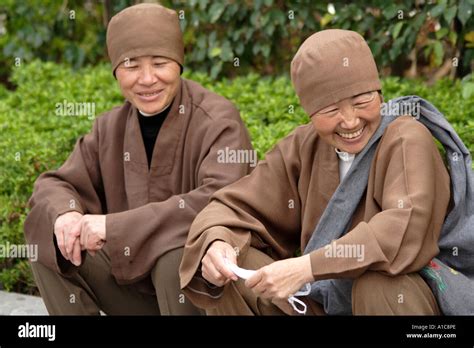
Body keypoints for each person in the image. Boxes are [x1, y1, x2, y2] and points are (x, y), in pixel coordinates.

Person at [179, 29, 452, 315]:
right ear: (308, 111)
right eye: (331, 109)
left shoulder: (407, 137)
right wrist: (219, 241)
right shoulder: (303, 145)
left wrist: (307, 268)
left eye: (362, 101)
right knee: (235, 269)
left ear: (379, 93)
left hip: (398, 299)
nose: (349, 121)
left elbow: (404, 227)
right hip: (322, 302)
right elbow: (234, 205)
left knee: (378, 284)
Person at [24, 3, 253, 315]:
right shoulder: (109, 128)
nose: (147, 79)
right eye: (131, 66)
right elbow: (55, 184)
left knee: (173, 254)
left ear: (179, 63)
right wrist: (66, 215)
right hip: (132, 287)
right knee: (49, 235)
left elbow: (220, 203)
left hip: (197, 293)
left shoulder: (217, 120)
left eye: (160, 63)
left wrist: (114, 227)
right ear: (116, 70)